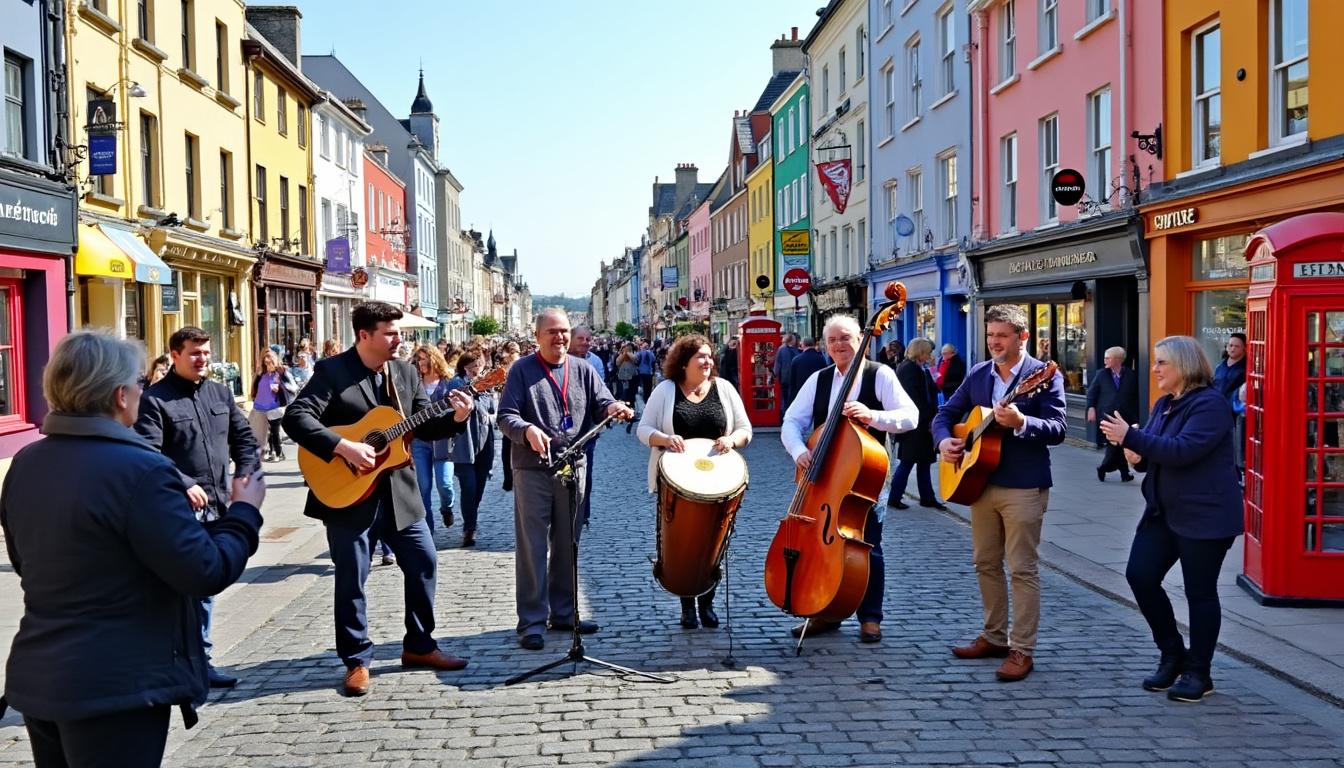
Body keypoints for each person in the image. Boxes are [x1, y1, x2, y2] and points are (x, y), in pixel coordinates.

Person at [1, 331, 265, 766]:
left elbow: (26, 563)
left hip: (42, 676)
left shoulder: (27, 462)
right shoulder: (142, 470)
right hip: (116, 686)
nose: (143, 390)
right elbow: (204, 571)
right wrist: (244, 513)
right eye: (138, 383)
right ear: (120, 395)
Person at [282, 301, 475, 697]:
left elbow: (426, 425)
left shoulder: (404, 372)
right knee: (353, 577)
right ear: (364, 335)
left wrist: (457, 417)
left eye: (398, 332)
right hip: (349, 495)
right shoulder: (333, 372)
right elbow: (296, 418)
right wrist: (343, 447)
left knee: (424, 561)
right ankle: (356, 660)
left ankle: (420, 646)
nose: (398, 339)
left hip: (400, 493)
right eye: (390, 333)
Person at [1100, 335, 1243, 703]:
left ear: (1184, 365)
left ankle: (1200, 672)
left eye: (1162, 362)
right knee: (1140, 576)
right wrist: (1136, 454)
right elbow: (1154, 451)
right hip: (1163, 511)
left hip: (1204, 516)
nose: (1155, 368)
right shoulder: (1165, 403)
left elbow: (1183, 451)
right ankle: (1173, 653)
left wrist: (1131, 436)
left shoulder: (1210, 405)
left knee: (1200, 593)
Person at [932, 304, 1067, 682]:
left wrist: (1023, 422)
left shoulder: (1041, 376)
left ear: (1022, 337)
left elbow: (1058, 427)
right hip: (980, 484)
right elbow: (944, 416)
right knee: (985, 563)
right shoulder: (978, 374)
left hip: (1024, 485)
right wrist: (944, 442)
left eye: (1001, 336)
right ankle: (994, 636)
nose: (994, 342)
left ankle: (1022, 649)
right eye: (990, 335)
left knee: (1022, 568)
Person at [497, 308, 633, 651]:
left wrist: (614, 407)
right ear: (538, 335)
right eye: (552, 332)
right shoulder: (521, 370)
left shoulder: (584, 369)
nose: (559, 338)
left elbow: (602, 402)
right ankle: (530, 620)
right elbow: (505, 416)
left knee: (567, 542)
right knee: (532, 545)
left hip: (575, 467)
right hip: (532, 469)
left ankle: (564, 613)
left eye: (564, 332)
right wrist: (526, 429)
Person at [134, 326, 262, 689]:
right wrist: (185, 483)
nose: (203, 359)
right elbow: (147, 453)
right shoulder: (155, 400)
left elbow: (243, 439)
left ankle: (197, 661)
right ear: (175, 355)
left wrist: (247, 473)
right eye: (195, 353)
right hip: (177, 510)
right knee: (186, 588)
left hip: (219, 505)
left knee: (204, 587)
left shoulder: (221, 394)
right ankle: (183, 661)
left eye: (206, 353)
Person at [782, 315, 919, 644]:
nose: (839, 345)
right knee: (820, 547)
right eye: (832, 340)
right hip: (823, 478)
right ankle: (823, 611)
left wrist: (873, 416)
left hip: (866, 480)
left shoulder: (879, 374)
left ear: (861, 339)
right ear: (825, 345)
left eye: (845, 338)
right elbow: (791, 420)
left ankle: (870, 617)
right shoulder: (819, 378)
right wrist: (799, 450)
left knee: (867, 546)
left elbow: (910, 416)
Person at [637, 334, 752, 629]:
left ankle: (707, 603)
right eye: (700, 356)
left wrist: (731, 439)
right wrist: (664, 438)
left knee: (713, 544)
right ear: (684, 362)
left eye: (709, 356)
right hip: (677, 482)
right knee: (681, 546)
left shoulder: (723, 389)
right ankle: (686, 606)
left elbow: (745, 429)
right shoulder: (665, 391)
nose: (707, 361)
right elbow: (643, 429)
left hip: (718, 481)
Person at [887, 338, 946, 511]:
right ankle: (895, 496)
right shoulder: (909, 369)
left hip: (922, 423)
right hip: (915, 424)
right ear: (921, 352)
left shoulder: (918, 368)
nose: (930, 355)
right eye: (928, 352)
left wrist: (934, 370)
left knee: (924, 461)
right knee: (908, 461)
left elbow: (935, 388)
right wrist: (929, 416)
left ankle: (927, 497)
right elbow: (915, 398)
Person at [446, 352, 496, 548]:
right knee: (469, 486)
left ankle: (470, 517)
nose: (477, 369)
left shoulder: (487, 384)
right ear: (464, 366)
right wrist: (474, 390)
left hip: (484, 441)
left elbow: (491, 408)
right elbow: (458, 405)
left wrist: (483, 390)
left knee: (479, 486)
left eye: (480, 365)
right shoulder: (455, 383)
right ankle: (470, 528)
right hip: (464, 441)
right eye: (473, 365)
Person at [410, 345, 457, 533]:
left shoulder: (448, 382)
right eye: (418, 359)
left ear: (434, 359)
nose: (420, 362)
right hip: (419, 441)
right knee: (423, 488)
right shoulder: (415, 382)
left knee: (445, 483)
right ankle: (427, 531)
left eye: (424, 358)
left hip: (443, 442)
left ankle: (447, 508)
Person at [1086, 346, 1140, 482]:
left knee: (1119, 444)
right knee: (1114, 443)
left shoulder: (1131, 375)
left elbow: (1137, 396)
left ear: (1118, 360)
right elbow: (1092, 393)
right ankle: (1106, 468)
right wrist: (1091, 408)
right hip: (1107, 416)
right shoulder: (1101, 374)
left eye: (1108, 358)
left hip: (1126, 416)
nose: (1104, 360)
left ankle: (1121, 473)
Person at [570, 326, 605, 526]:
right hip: (562, 429)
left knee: (586, 470)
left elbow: (600, 391)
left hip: (588, 427)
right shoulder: (560, 361)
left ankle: (583, 512)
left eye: (588, 338)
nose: (585, 342)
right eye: (580, 338)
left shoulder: (595, 361)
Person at [250, 349, 298, 462]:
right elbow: (255, 388)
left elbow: (293, 387)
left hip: (276, 406)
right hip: (260, 406)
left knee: (274, 431)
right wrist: (254, 396)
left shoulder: (281, 371)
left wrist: (280, 388)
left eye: (270, 358)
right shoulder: (260, 373)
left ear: (275, 359)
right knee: (261, 431)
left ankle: (278, 453)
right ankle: (268, 451)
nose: (268, 360)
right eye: (266, 358)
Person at [497, 340, 523, 492]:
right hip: (512, 405)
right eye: (514, 351)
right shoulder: (507, 366)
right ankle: (510, 477)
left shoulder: (512, 365)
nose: (516, 354)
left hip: (514, 406)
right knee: (509, 443)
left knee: (509, 444)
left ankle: (511, 477)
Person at [788, 336, 826, 406]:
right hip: (817, 395)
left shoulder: (796, 360)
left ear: (803, 345)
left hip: (801, 395)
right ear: (814, 345)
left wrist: (791, 401)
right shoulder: (821, 359)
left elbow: (792, 383)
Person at [773, 332, 800, 411]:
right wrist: (775, 374)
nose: (795, 340)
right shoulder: (795, 350)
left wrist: (775, 374)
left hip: (786, 378)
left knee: (786, 398)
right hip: (790, 378)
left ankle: (786, 413)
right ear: (790, 340)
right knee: (788, 398)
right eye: (794, 339)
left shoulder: (781, 349)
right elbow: (778, 363)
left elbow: (777, 364)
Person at [636, 341, 658, 408]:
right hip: (649, 372)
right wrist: (653, 372)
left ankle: (645, 399)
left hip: (642, 372)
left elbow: (637, 362)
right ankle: (648, 399)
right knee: (649, 387)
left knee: (644, 386)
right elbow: (654, 363)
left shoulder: (639, 353)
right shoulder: (651, 354)